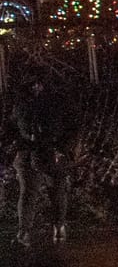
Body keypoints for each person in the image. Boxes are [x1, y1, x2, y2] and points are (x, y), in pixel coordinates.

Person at [12, 71, 79, 246]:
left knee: (56, 191)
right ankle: (24, 232)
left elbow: (72, 126)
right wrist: (15, 145)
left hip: (52, 151)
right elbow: (13, 127)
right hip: (28, 151)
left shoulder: (58, 101)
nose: (35, 87)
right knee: (28, 192)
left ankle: (59, 225)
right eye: (31, 84)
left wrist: (63, 148)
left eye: (38, 83)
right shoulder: (21, 104)